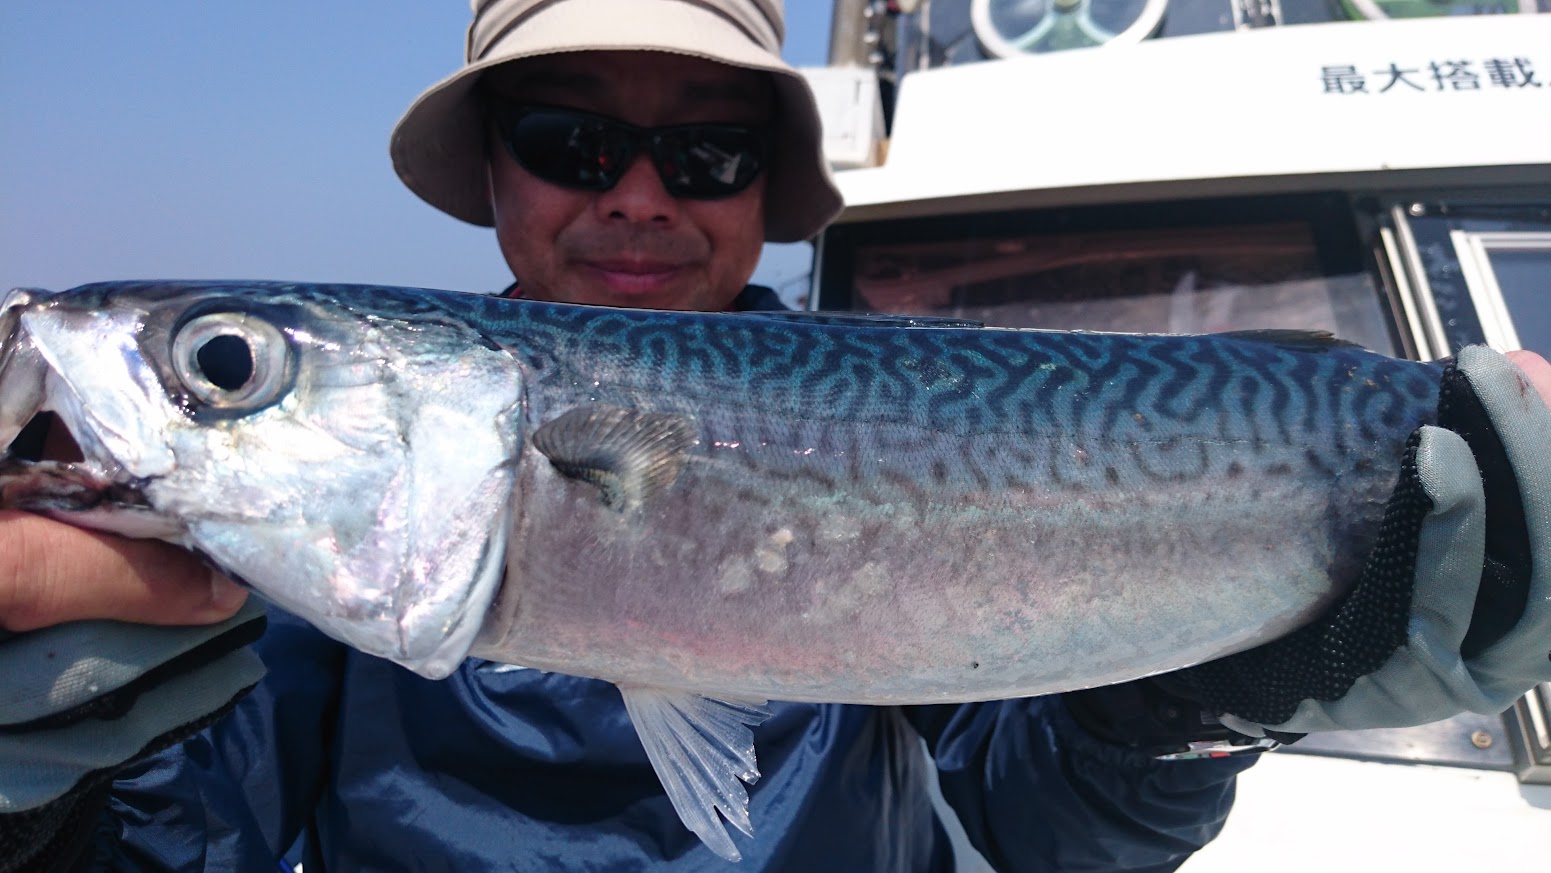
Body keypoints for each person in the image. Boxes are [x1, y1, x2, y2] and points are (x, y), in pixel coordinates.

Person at [3, 1, 1549, 870]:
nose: (635, 193)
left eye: (706, 147)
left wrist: (1192, 703)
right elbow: (169, 851)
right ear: (493, 172)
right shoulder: (293, 549)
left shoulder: (885, 395)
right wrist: (53, 772)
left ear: (764, 181)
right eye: (569, 138)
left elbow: (1040, 831)